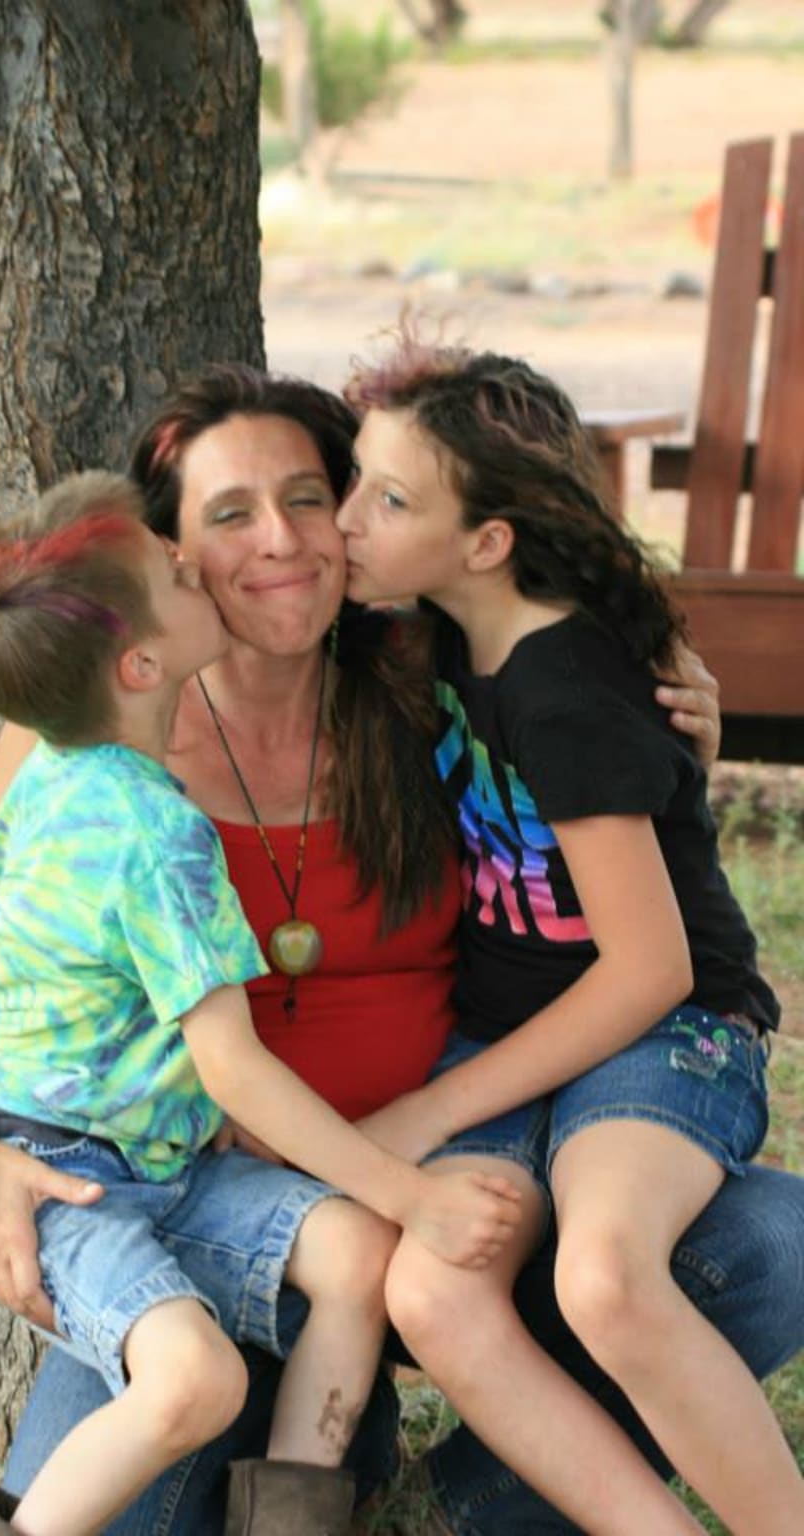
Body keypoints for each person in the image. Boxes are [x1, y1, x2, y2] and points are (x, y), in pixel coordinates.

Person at [0, 363, 804, 1536]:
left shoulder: (430, 682)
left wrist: (671, 732)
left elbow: (588, 759)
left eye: (308, 498)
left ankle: (457, 1506)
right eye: (230, 514)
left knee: (768, 1248)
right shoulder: (79, 751)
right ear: (171, 555)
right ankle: (324, 1434)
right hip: (182, 1205)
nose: (280, 539)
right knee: (127, 1498)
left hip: (426, 1184)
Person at [0, 471, 522, 1536]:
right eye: (173, 569)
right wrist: (414, 1195)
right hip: (74, 1186)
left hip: (166, 1163)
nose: (191, 561)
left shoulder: (50, 775)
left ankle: (291, 1518)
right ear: (142, 665)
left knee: (350, 1254)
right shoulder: (159, 835)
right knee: (197, 1383)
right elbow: (233, 1067)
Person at [335, 340, 802, 1536]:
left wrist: (428, 1112)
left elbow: (649, 969)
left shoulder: (563, 691)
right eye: (354, 484)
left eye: (389, 500)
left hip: (664, 1030)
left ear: (487, 542)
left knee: (604, 1277)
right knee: (433, 1291)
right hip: (515, 1033)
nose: (344, 522)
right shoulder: (444, 632)